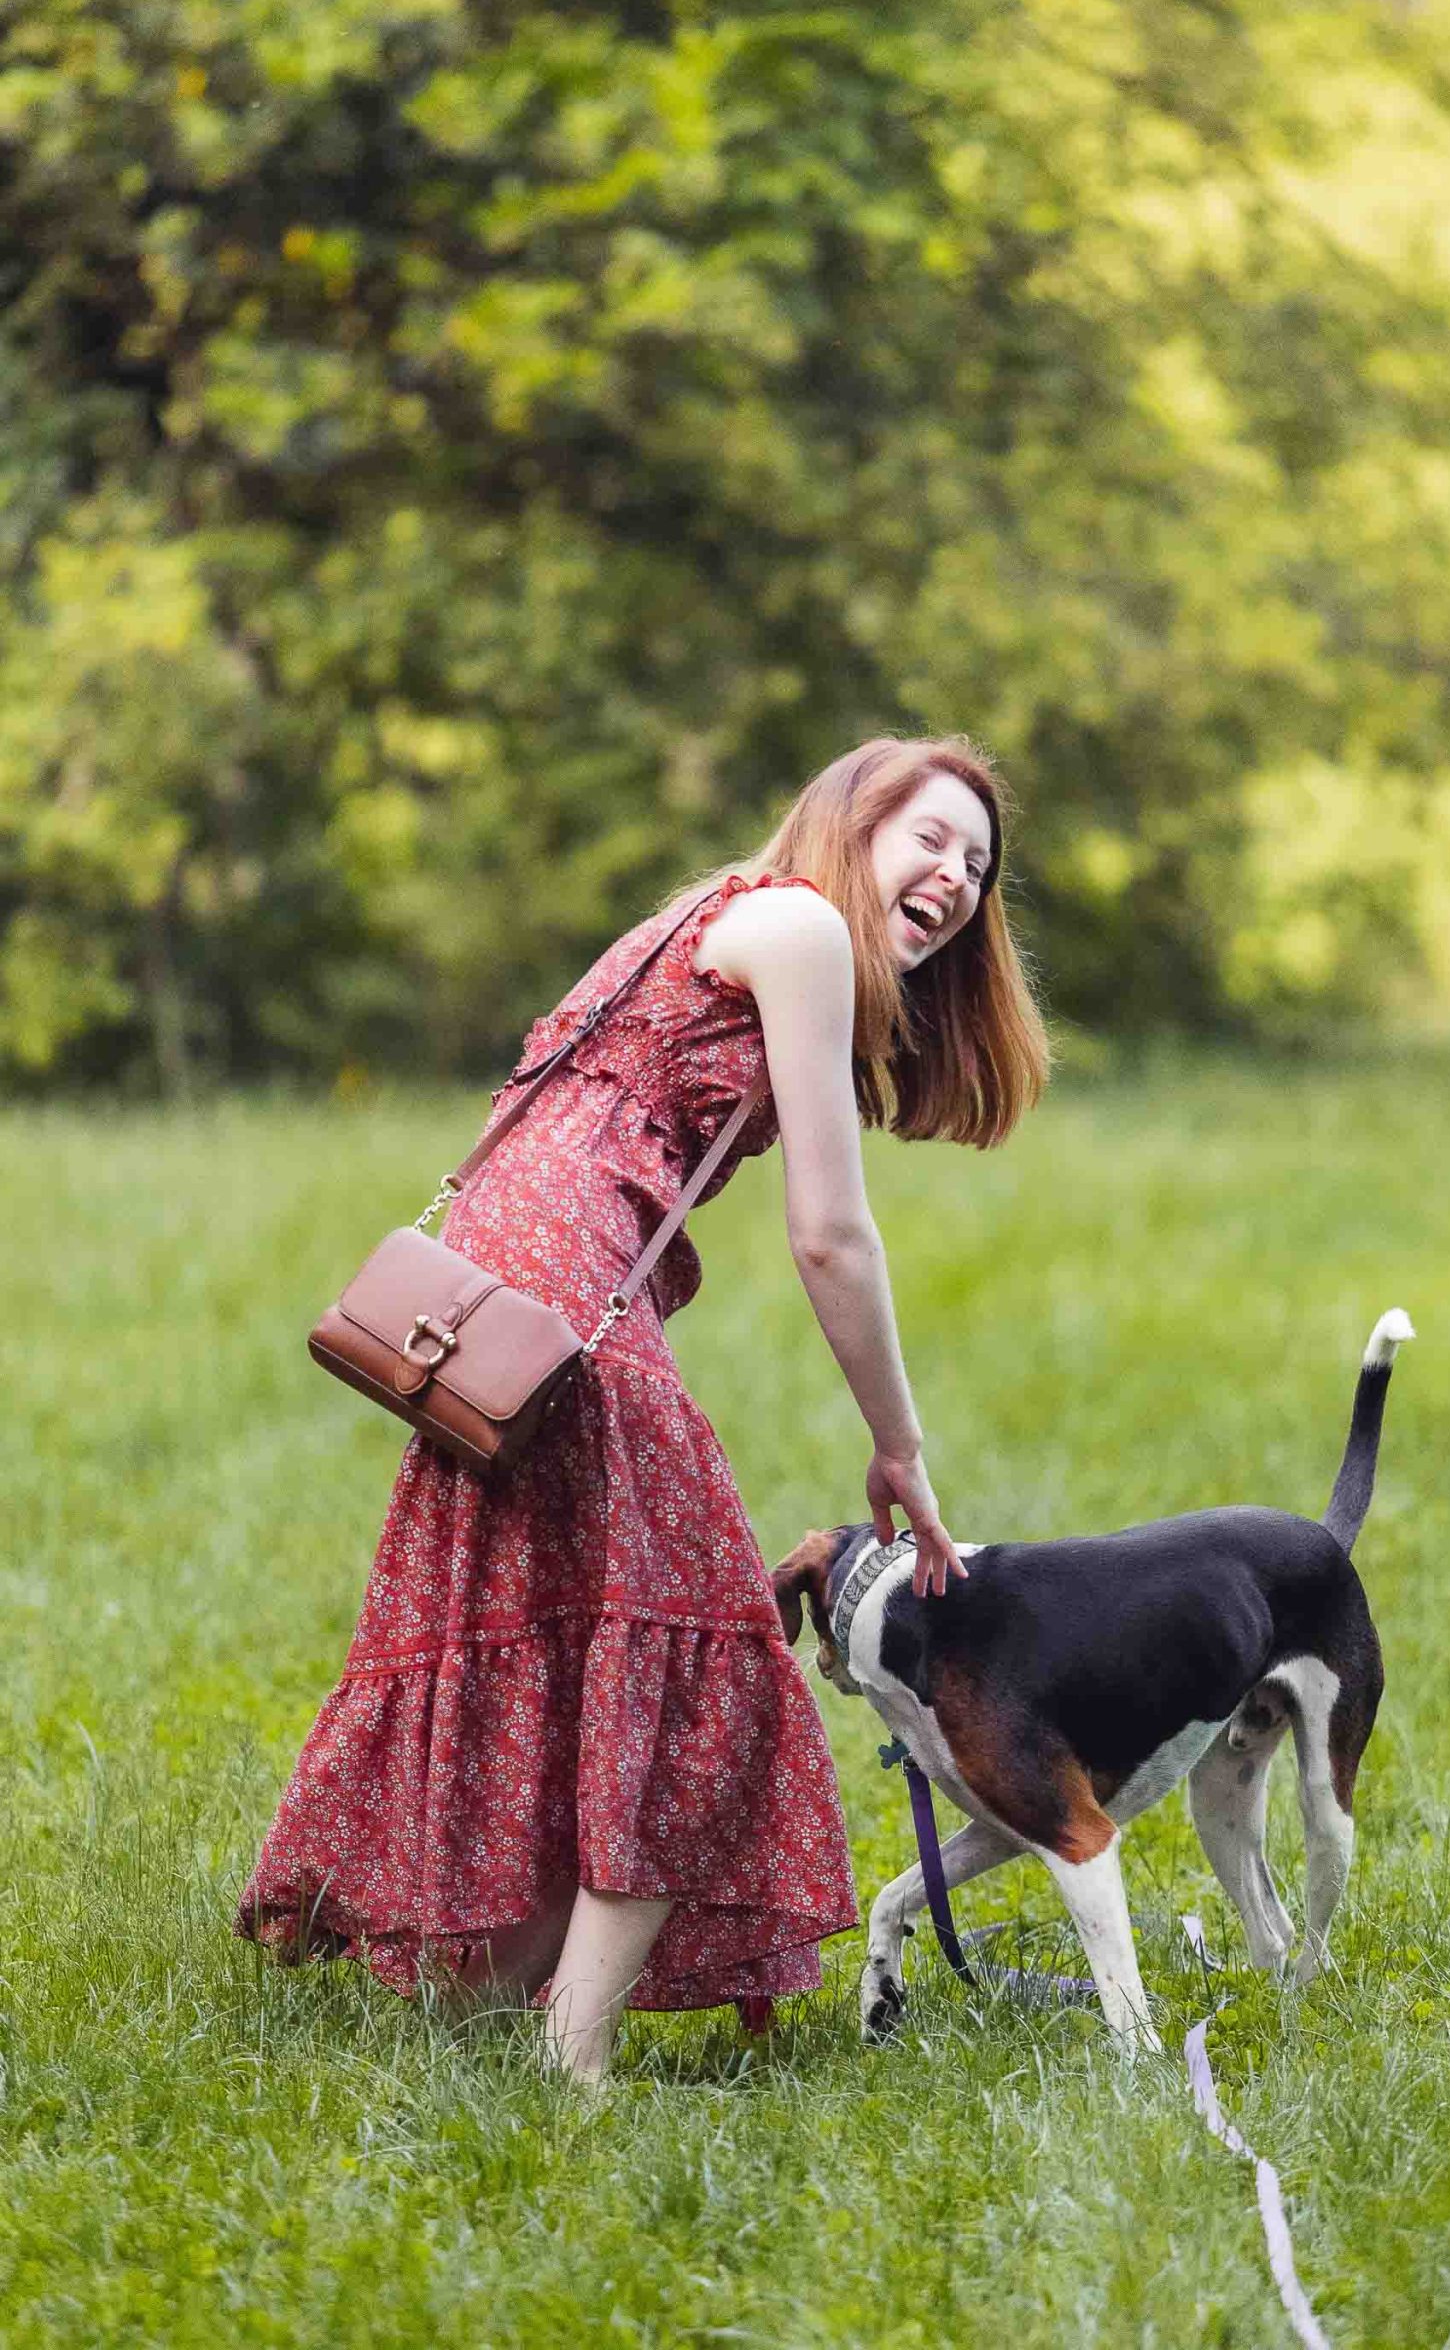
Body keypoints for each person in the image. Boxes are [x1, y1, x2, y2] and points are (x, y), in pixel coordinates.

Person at [237, 735, 1050, 2081]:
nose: (957, 877)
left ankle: (491, 1992)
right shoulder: (797, 927)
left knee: (554, 1620)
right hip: (563, 1300)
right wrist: (898, 1445)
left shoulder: (725, 904)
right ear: (851, 823)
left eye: (978, 862)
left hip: (506, 1289)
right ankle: (576, 2045)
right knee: (716, 1660)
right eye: (931, 838)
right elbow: (833, 1235)